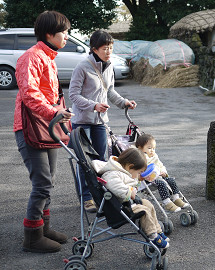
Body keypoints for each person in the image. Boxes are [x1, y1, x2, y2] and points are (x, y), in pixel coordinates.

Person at [14, 11, 74, 253]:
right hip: (31, 128)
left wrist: (61, 114)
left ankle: (43, 228)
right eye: (65, 32)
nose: (68, 37)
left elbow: (51, 95)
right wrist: (53, 113)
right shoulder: (31, 57)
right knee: (41, 184)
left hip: (48, 128)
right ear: (50, 34)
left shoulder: (48, 57)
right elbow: (29, 93)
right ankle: (32, 237)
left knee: (48, 182)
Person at [68, 30, 137, 213]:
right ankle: (87, 198)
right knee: (85, 163)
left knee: (102, 162)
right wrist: (93, 106)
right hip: (82, 121)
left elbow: (110, 92)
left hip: (100, 122)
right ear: (94, 49)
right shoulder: (82, 67)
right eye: (105, 48)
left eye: (111, 48)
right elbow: (73, 95)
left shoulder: (109, 66)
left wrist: (124, 103)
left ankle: (102, 195)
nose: (109, 51)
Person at [91, 148, 170, 248]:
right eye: (138, 172)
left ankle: (158, 230)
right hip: (120, 207)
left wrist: (137, 181)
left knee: (148, 204)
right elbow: (117, 187)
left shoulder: (123, 171)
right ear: (130, 166)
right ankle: (152, 235)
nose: (138, 175)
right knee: (144, 211)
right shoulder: (112, 174)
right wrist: (129, 192)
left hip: (127, 202)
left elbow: (130, 181)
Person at [135, 134, 189, 212]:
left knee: (171, 180)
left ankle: (176, 198)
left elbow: (160, 165)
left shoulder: (154, 156)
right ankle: (167, 203)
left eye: (154, 148)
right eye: (149, 148)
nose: (152, 150)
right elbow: (143, 169)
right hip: (148, 179)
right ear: (140, 148)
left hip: (159, 175)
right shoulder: (140, 158)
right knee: (162, 183)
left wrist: (163, 172)